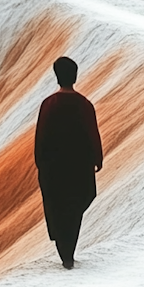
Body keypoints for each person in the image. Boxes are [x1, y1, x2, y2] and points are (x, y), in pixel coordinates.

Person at [34, 57, 103, 268]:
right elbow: (93, 133)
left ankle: (65, 252)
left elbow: (41, 137)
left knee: (58, 206)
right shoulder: (84, 104)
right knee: (74, 207)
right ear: (74, 76)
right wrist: (97, 158)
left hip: (54, 168)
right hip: (79, 167)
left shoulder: (48, 105)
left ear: (57, 77)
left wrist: (41, 163)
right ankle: (68, 253)